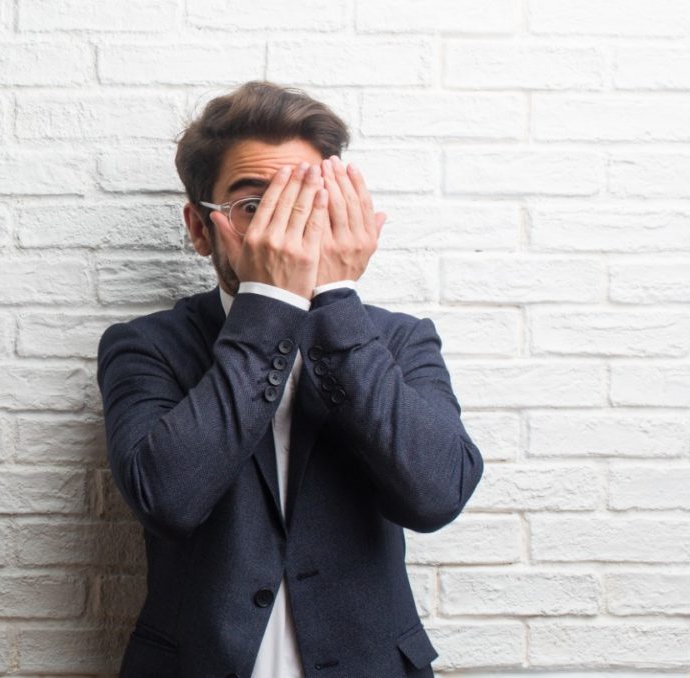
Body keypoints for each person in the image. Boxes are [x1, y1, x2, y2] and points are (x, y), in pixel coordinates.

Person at [95, 80, 485, 677]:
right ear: (200, 229)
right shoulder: (146, 346)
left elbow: (436, 495)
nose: (288, 231)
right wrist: (269, 302)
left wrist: (334, 299)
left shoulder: (401, 340)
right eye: (255, 206)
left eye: (307, 204)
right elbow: (166, 498)